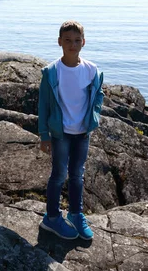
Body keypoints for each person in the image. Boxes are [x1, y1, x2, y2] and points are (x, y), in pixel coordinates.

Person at [38, 20, 104, 240]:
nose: (72, 44)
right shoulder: (51, 72)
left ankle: (76, 214)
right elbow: (44, 105)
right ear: (59, 42)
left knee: (77, 175)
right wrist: (44, 135)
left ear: (83, 42)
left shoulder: (92, 70)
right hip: (61, 133)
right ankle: (52, 218)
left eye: (77, 40)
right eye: (67, 40)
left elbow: (97, 97)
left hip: (82, 133)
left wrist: (93, 118)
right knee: (58, 175)